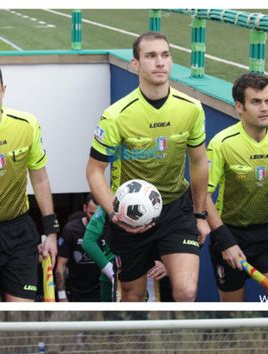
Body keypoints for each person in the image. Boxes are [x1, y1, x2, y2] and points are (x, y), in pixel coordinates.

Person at [86, 31, 209, 302]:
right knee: (132, 296)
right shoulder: (115, 116)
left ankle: (179, 344)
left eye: (165, 55)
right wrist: (115, 212)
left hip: (176, 209)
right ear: (135, 64)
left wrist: (200, 215)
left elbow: (199, 161)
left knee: (186, 291)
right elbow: (94, 171)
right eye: (151, 56)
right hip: (129, 217)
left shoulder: (192, 108)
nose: (160, 62)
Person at [206, 73, 268, 301]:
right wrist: (225, 241)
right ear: (239, 106)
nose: (265, 108)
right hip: (229, 233)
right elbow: (203, 197)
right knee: (233, 309)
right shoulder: (222, 143)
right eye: (256, 102)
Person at [0, 64, 58, 302]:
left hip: (18, 232)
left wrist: (51, 232)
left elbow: (40, 179)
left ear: (4, 91)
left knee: (20, 313)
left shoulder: (26, 124)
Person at [81, 206, 172, 302]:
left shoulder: (161, 200)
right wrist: (110, 271)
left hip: (153, 275)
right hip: (115, 272)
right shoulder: (109, 200)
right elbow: (88, 242)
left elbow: (179, 236)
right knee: (115, 316)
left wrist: (168, 265)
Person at [55, 194, 102, 302]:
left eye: (99, 215)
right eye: (92, 213)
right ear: (85, 208)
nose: (95, 219)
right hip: (75, 293)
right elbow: (61, 265)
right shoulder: (71, 229)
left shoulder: (108, 228)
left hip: (102, 292)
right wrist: (62, 296)